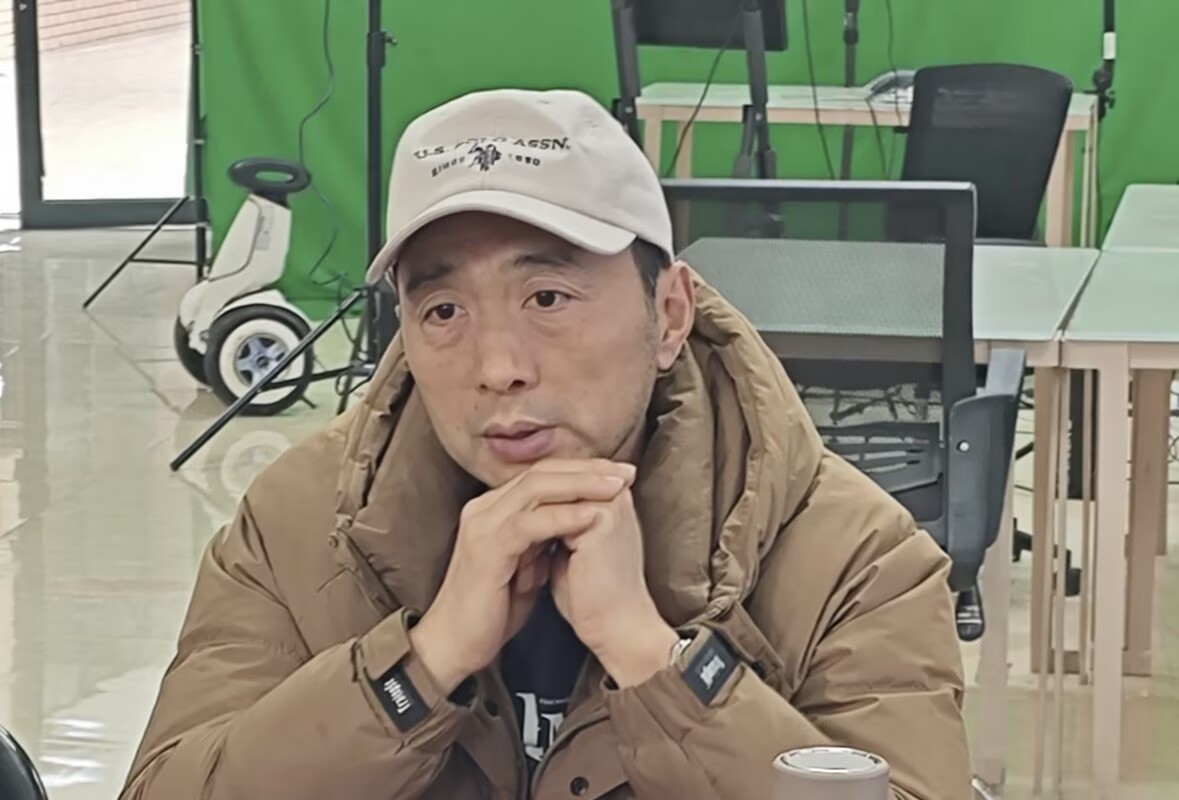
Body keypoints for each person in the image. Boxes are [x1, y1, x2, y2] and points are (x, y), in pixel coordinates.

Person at [121, 89, 971, 800]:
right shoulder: (301, 524)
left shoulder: (853, 555)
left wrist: (653, 659)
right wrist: (420, 665)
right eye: (443, 311)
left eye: (548, 297)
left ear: (668, 314)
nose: (498, 368)